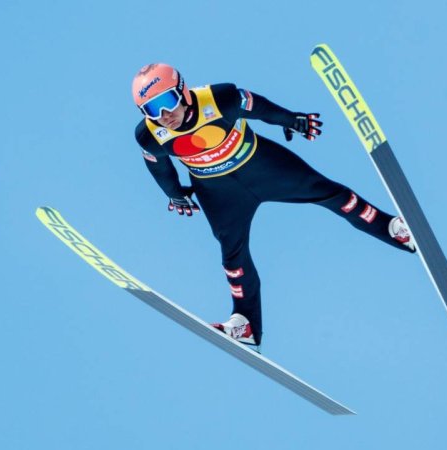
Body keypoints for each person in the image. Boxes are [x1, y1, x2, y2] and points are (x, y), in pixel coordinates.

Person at [131, 63, 415, 351]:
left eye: (166, 101)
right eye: (150, 109)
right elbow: (159, 167)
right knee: (232, 256)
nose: (163, 115)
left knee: (331, 194)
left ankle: (394, 229)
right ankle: (246, 323)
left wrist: (291, 120)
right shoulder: (150, 135)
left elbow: (261, 109)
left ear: (182, 90)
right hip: (218, 193)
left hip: (263, 166)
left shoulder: (220, 98)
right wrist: (175, 194)